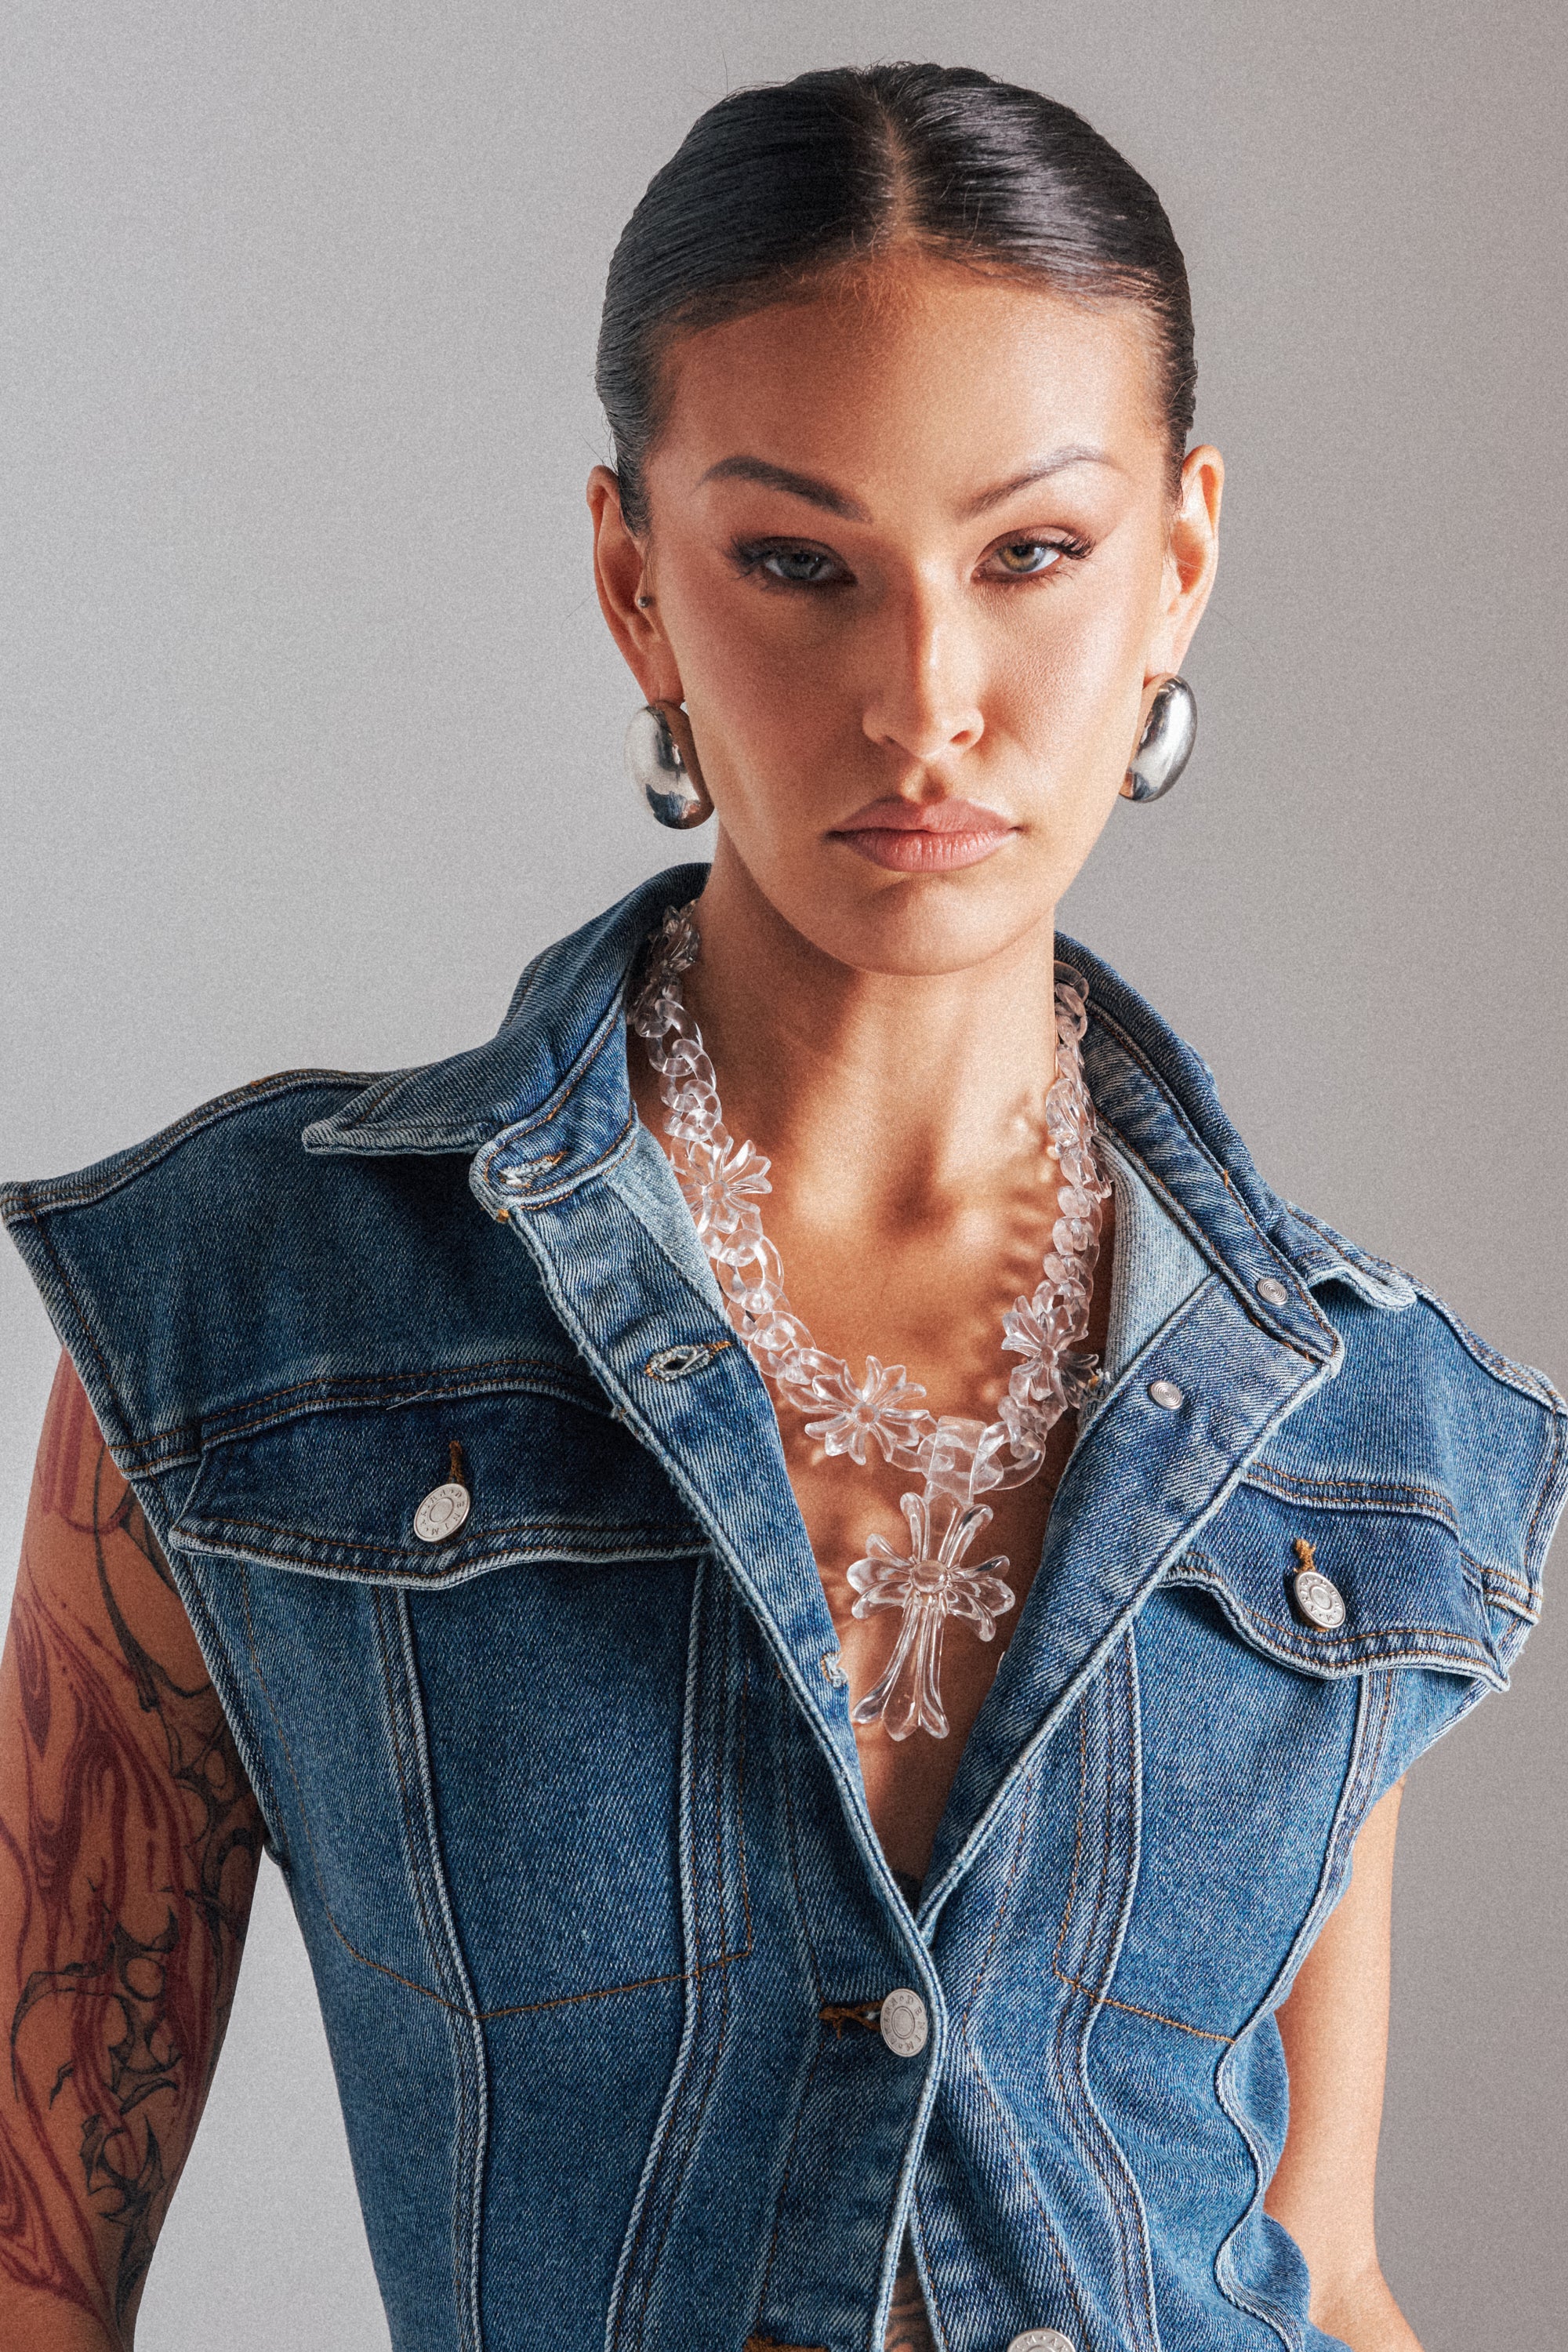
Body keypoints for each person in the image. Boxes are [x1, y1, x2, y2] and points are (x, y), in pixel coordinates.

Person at [0, 60, 1560, 2352]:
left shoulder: (1363, 1420)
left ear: (1179, 565)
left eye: (1032, 555)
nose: (924, 700)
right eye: (800, 565)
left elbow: (1320, 2270)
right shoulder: (255, 1318)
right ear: (636, 581)